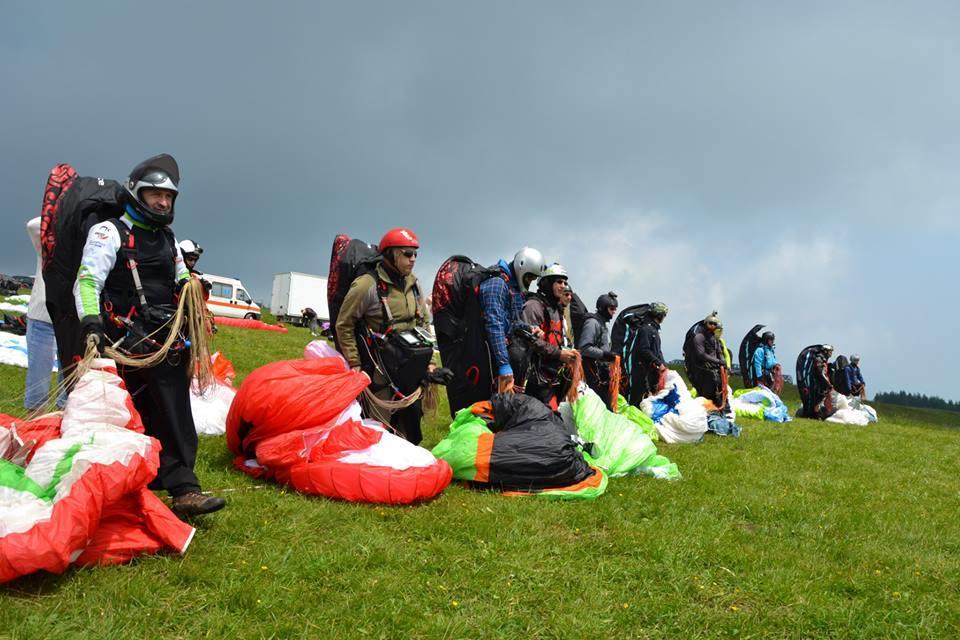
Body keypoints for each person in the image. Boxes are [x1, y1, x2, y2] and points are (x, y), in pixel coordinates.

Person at [75, 154, 225, 519]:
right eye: (155, 194)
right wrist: (92, 324)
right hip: (121, 340)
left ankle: (184, 488)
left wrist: (192, 287)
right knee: (123, 414)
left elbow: (180, 278)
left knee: (174, 411)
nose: (163, 202)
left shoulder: (168, 239)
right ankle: (117, 483)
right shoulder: (110, 232)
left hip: (163, 338)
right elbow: (89, 279)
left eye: (169, 197)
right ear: (136, 193)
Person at [335, 228, 451, 445]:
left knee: (411, 424)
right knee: (378, 426)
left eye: (416, 254)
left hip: (411, 366)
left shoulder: (414, 284)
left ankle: (403, 464)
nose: (413, 259)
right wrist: (355, 363)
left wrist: (431, 365)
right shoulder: (366, 285)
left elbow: (423, 323)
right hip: (381, 369)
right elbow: (344, 323)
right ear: (390, 254)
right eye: (407, 253)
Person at [477, 247, 545, 394]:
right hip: (486, 357)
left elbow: (511, 322)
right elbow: (494, 324)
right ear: (521, 268)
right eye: (529, 278)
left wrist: (529, 328)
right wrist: (504, 364)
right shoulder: (497, 284)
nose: (529, 282)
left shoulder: (512, 287)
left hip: (496, 355)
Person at [518, 263, 580, 410]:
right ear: (547, 283)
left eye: (565, 282)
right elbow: (530, 341)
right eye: (559, 282)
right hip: (532, 378)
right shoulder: (534, 306)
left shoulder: (556, 309)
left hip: (550, 377)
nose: (564, 286)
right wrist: (559, 354)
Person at [24, 218, 64, 411]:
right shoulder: (48, 245)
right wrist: (63, 213)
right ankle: (33, 430)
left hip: (71, 323)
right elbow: (33, 224)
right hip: (42, 319)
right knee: (38, 388)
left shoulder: (88, 245)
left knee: (69, 390)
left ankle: (61, 432)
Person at [577, 291, 619, 406]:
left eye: (615, 309)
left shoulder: (603, 325)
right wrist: (605, 355)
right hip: (592, 374)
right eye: (611, 308)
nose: (614, 312)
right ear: (603, 308)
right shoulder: (592, 323)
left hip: (602, 373)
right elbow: (584, 348)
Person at [627, 302, 669, 404]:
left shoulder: (654, 330)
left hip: (651, 371)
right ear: (660, 315)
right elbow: (644, 349)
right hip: (642, 371)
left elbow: (658, 351)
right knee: (639, 399)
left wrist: (663, 365)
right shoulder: (646, 329)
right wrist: (658, 363)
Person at [687, 311, 727, 407]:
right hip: (703, 370)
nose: (712, 325)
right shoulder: (699, 337)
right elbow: (701, 354)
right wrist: (718, 361)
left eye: (714, 324)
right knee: (707, 393)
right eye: (710, 323)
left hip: (716, 368)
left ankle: (720, 408)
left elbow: (719, 351)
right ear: (706, 324)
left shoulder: (714, 338)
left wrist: (722, 362)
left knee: (721, 390)